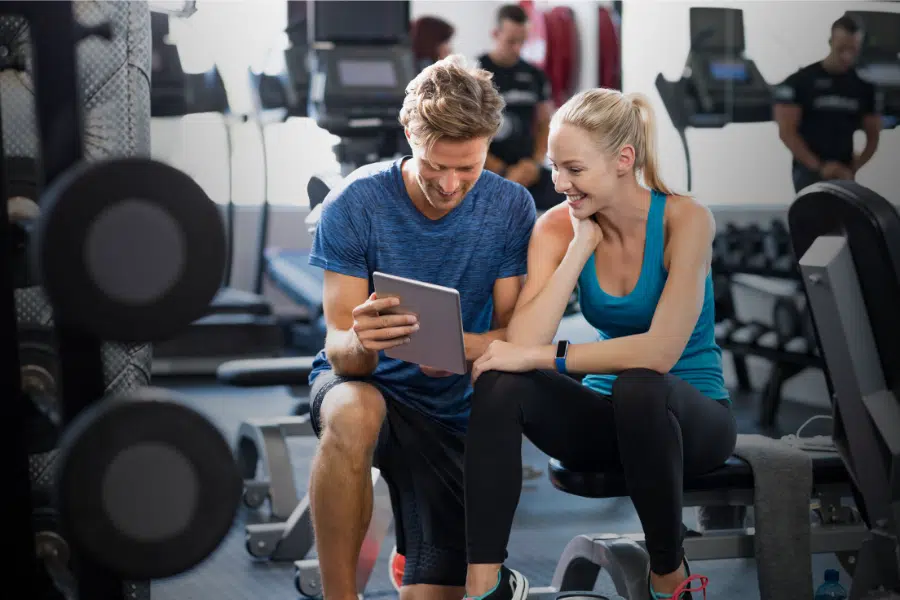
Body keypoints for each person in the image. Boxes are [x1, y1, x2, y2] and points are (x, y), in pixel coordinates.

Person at [460, 88, 737, 600]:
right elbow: (523, 342)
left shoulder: (686, 220)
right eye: (554, 168)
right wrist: (577, 250)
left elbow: (658, 354)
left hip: (689, 420)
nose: (560, 183)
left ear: (622, 160)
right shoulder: (556, 227)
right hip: (606, 419)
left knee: (640, 384)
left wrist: (542, 357)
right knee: (500, 382)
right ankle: (486, 585)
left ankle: (668, 577)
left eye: (574, 169)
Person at [306, 55, 537, 600]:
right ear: (410, 132)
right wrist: (361, 341)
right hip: (367, 387)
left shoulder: (510, 208)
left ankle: (416, 555)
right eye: (437, 165)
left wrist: (460, 349)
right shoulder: (356, 203)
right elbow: (339, 347)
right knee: (353, 410)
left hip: (453, 408)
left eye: (469, 167)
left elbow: (517, 334)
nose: (451, 184)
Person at [773, 14, 881, 193]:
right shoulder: (801, 82)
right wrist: (819, 167)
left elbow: (873, 136)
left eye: (852, 50)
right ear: (831, 42)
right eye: (842, 49)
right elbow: (787, 132)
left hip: (845, 171)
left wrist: (855, 165)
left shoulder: (864, 88)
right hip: (808, 169)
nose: (846, 56)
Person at [476, 4, 564, 211]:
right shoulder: (475, 71)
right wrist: (501, 170)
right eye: (511, 41)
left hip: (527, 168)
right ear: (495, 34)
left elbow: (544, 123)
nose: (517, 48)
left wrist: (534, 163)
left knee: (566, 199)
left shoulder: (535, 75)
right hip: (486, 168)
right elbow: (465, 130)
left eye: (522, 42)